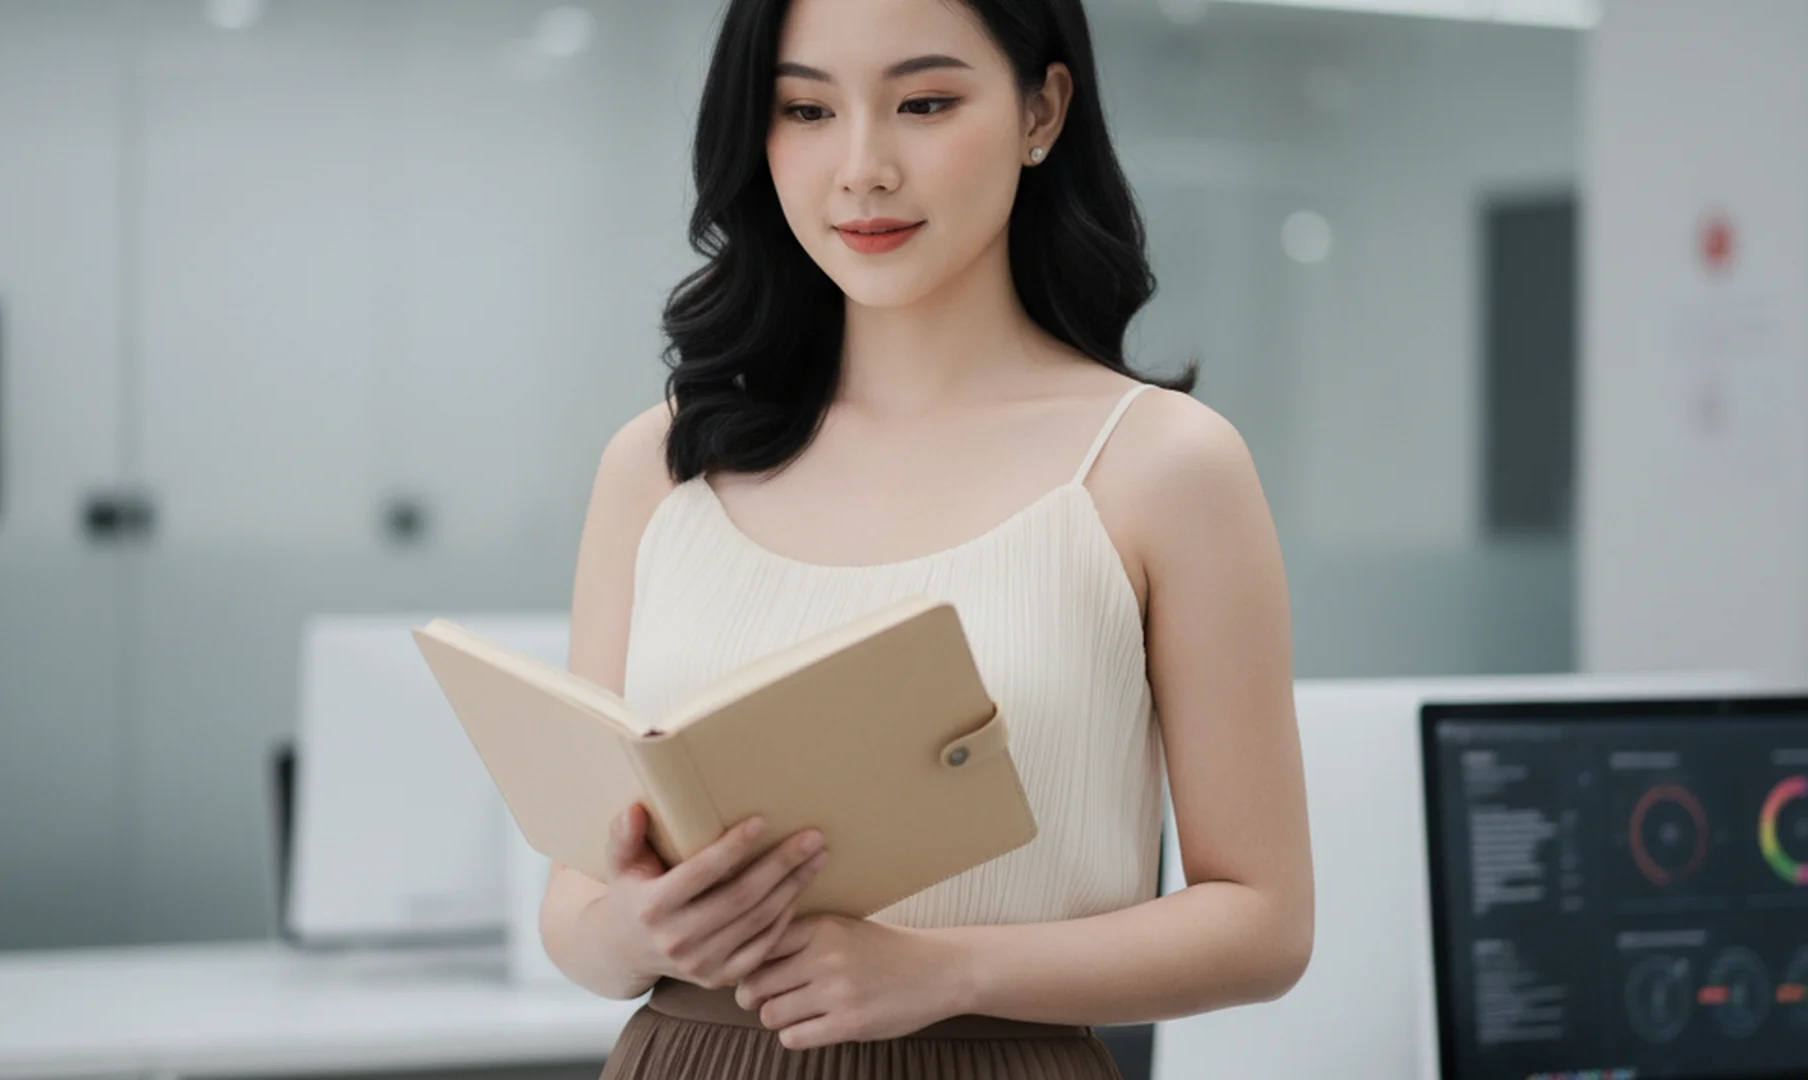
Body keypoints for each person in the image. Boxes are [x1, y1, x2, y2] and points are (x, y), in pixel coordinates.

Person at [540, 0, 1315, 1075]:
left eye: (925, 103)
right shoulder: (662, 463)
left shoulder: (1164, 466)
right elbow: (574, 906)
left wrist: (944, 970)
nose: (861, 167)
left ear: (1041, 110)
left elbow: (1263, 924)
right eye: (805, 110)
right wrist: (637, 931)